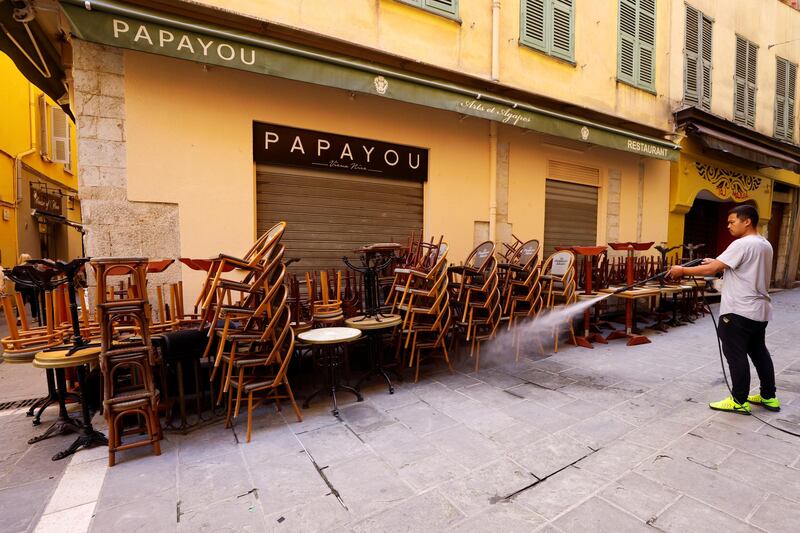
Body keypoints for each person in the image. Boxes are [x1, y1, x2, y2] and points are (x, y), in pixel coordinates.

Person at [668, 204, 778, 415]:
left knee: (735, 355)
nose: (728, 226)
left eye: (732, 221)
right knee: (759, 353)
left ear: (747, 221)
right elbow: (735, 266)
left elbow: (712, 269)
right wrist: (719, 263)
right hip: (759, 310)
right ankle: (768, 396)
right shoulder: (764, 244)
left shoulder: (742, 244)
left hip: (739, 310)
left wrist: (682, 270)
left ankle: (738, 400)